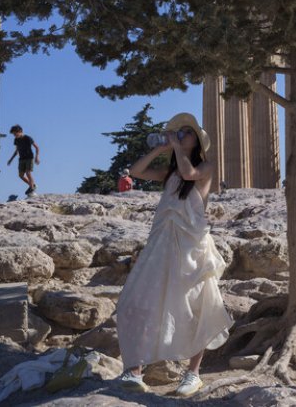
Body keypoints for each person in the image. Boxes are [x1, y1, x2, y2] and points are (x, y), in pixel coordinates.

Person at [115, 113, 232, 397]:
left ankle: (193, 374)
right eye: (178, 132)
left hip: (192, 245)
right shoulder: (169, 172)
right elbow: (136, 170)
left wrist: (178, 150)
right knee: (139, 299)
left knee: (197, 304)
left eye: (185, 132)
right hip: (162, 245)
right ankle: (134, 370)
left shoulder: (206, 165)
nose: (180, 135)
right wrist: (160, 148)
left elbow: (190, 174)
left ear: (197, 142)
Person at [7, 125, 40, 196]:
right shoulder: (16, 140)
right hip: (21, 159)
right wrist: (10, 159)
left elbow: (37, 147)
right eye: (13, 134)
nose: (14, 135)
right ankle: (32, 185)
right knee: (21, 175)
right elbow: (16, 151)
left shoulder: (27, 138)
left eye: (15, 134)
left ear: (20, 132)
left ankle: (32, 190)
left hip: (29, 158)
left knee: (28, 173)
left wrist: (36, 157)